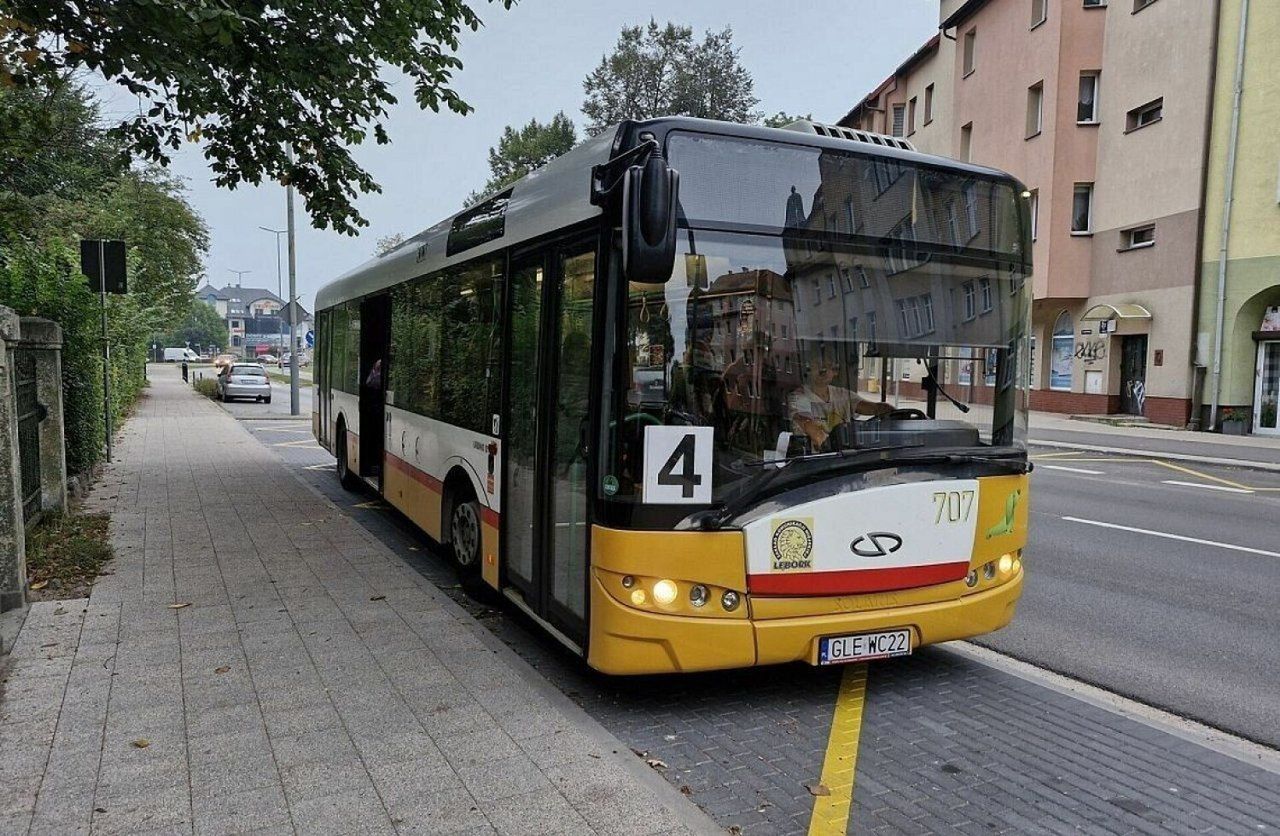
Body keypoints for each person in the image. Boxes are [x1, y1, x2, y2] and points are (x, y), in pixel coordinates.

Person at [789, 360, 893, 450]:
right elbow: (810, 428)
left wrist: (892, 412)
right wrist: (829, 445)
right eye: (817, 366)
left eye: (828, 366)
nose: (823, 371)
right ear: (809, 370)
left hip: (843, 457)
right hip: (816, 460)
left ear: (835, 372)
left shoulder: (842, 395)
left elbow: (873, 408)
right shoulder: (800, 396)